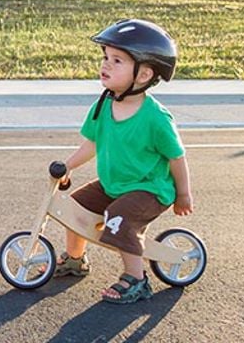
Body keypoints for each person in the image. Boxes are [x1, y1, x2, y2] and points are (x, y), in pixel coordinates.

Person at [53, 19, 194, 304]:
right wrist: (68, 166)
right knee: (72, 208)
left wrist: (183, 194)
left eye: (117, 60)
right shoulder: (104, 104)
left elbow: (176, 157)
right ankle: (75, 260)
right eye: (105, 57)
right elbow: (93, 143)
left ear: (143, 75)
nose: (105, 65)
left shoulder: (155, 118)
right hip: (114, 184)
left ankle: (137, 280)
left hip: (150, 189)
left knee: (119, 219)